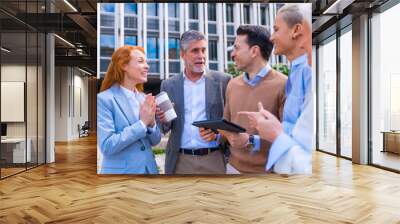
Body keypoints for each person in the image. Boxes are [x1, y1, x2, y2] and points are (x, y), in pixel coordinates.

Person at [240, 4, 314, 174]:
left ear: (296, 30)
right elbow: (294, 127)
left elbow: (306, 142)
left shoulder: (308, 71)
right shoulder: (296, 71)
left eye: (276, 29)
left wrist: (275, 132)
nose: (271, 37)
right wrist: (266, 125)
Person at [156, 30, 231, 174]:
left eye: (203, 50)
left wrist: (219, 136)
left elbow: (232, 121)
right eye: (195, 51)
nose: (201, 56)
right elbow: (163, 127)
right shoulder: (168, 85)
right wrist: (162, 119)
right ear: (182, 54)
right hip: (180, 161)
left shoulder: (224, 81)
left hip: (214, 158)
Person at [217, 25, 287, 174]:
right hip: (232, 169)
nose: (232, 54)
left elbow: (289, 138)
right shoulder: (232, 84)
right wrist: (218, 133)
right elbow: (226, 124)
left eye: (236, 48)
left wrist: (250, 139)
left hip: (269, 174)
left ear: (254, 51)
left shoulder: (284, 85)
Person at [97, 46, 161, 174]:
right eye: (140, 61)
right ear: (124, 65)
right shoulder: (104, 99)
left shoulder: (144, 99)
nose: (147, 66)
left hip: (149, 172)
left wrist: (152, 123)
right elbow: (107, 146)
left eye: (146, 62)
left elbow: (155, 141)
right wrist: (142, 123)